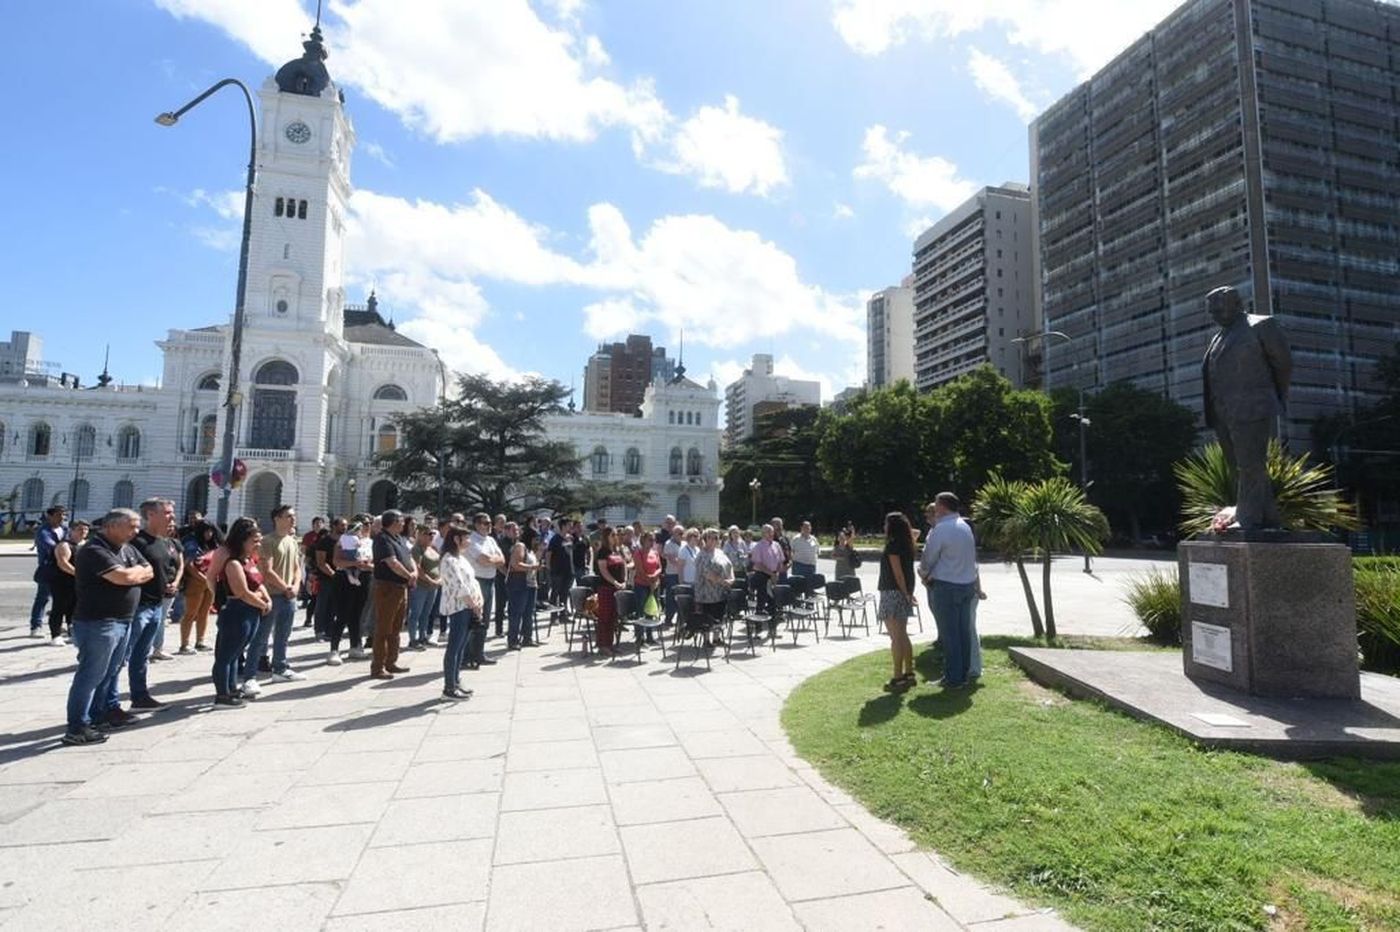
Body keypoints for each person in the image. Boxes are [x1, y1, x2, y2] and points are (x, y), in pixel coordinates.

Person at [1201, 285, 1293, 529]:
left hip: (1252, 407)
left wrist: (1273, 397)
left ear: (1236, 304)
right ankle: (1269, 516)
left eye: (1218, 309)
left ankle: (1247, 519)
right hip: (1223, 413)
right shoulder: (1219, 336)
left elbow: (1283, 365)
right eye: (1211, 312)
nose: (1215, 316)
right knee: (1239, 466)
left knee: (1250, 464)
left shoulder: (1261, 325)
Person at [63, 508, 152, 745]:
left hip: (123, 620)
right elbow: (123, 578)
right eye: (131, 526)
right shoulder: (94, 550)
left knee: (110, 673)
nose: (136, 531)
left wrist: (134, 573)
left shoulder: (128, 548)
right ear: (111, 526)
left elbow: (149, 570)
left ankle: (99, 715)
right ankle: (77, 726)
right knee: (91, 675)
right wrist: (135, 574)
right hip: (98, 622)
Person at [124, 498, 182, 711]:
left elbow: (170, 566)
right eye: (167, 513)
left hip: (156, 605)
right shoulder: (136, 542)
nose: (172, 517)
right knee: (121, 657)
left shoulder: (162, 541)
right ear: (150, 515)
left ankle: (139, 696)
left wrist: (170, 583)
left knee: (142, 656)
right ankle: (105, 704)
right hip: (137, 608)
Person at [918, 493, 979, 689]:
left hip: (946, 586)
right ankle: (963, 673)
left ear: (943, 506)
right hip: (966, 584)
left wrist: (924, 574)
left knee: (950, 634)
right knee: (963, 632)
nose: (934, 508)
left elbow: (928, 558)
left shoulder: (941, 529)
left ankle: (953, 678)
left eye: (936, 505)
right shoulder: (964, 526)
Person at [210, 518, 271, 708]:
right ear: (242, 540)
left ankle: (232, 689)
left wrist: (266, 598)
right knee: (226, 656)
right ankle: (222, 695)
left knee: (236, 654)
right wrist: (262, 603)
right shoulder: (233, 563)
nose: (258, 544)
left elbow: (257, 583)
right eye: (255, 540)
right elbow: (242, 592)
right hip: (237, 611)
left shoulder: (248, 560)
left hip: (251, 612)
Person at [251, 504, 306, 685]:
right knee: (262, 636)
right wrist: (285, 588)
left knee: (283, 635)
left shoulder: (292, 540)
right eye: (289, 516)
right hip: (273, 595)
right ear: (277, 519)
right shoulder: (267, 541)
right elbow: (266, 571)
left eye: (293, 516)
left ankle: (280, 667)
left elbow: (297, 567)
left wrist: (296, 586)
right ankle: (252, 671)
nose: (293, 519)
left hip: (289, 596)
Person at [370, 510, 417, 680]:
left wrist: (414, 572)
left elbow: (409, 557)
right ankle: (378, 666)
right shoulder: (382, 539)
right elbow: (392, 562)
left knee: (396, 628)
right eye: (401, 521)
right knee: (383, 628)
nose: (404, 524)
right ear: (393, 522)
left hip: (401, 587)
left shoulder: (398, 538)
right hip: (387, 587)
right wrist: (408, 575)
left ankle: (391, 661)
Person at [437, 524, 482, 700]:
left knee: (461, 646)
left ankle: (456, 681)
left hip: (468, 606)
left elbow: (472, 582)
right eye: (466, 538)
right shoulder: (448, 560)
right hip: (458, 608)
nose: (469, 541)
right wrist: (474, 605)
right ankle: (449, 688)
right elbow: (459, 586)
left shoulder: (460, 558)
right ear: (456, 539)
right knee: (454, 647)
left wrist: (479, 601)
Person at [877, 512, 918, 692]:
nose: (884, 528)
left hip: (892, 592)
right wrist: (908, 593)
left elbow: (898, 573)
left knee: (896, 638)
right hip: (902, 592)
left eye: (886, 524)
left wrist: (905, 593)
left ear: (892, 527)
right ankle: (909, 673)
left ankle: (897, 677)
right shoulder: (908, 544)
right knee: (903, 636)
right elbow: (915, 532)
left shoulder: (893, 546)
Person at [327, 519, 372, 665]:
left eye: (367, 524)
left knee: (357, 614)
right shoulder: (343, 540)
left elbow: (372, 562)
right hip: (344, 578)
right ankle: (334, 649)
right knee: (342, 615)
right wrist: (354, 563)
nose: (365, 527)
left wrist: (367, 565)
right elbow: (337, 561)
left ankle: (355, 646)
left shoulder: (369, 542)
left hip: (363, 578)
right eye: (362, 524)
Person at [465, 513, 504, 668]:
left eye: (489, 522)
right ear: (476, 524)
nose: (488, 525)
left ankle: (479, 653)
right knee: (474, 620)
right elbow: (482, 560)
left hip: (490, 580)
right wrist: (493, 560)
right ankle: (466, 656)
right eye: (484, 523)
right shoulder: (471, 540)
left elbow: (502, 560)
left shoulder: (491, 540)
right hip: (477, 581)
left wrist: (492, 560)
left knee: (484, 621)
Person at [177, 521, 221, 653]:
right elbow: (189, 565)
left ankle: (200, 641)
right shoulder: (191, 543)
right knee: (191, 613)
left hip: (211, 582)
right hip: (195, 583)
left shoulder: (214, 544)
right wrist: (204, 579)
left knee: (205, 612)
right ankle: (184, 644)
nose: (209, 534)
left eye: (211, 531)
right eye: (206, 531)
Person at [48, 520, 89, 645]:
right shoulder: (64, 545)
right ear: (72, 530)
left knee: (75, 608)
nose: (84, 532)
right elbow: (63, 564)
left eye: (86, 530)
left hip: (79, 583)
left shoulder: (86, 545)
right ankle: (56, 635)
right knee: (59, 607)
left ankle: (73, 633)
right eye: (80, 529)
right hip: (62, 582)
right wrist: (80, 575)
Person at [30, 505, 67, 637]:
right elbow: (52, 547)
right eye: (58, 515)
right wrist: (66, 548)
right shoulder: (43, 531)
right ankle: (36, 625)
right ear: (49, 516)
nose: (62, 517)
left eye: (63, 515)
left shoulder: (64, 529)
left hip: (63, 568)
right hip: (48, 569)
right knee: (43, 597)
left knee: (62, 599)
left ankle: (57, 624)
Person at [693, 528, 733, 647]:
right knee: (707, 617)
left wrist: (732, 579)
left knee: (718, 617)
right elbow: (707, 574)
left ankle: (716, 638)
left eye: (716, 537)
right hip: (706, 593)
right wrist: (724, 582)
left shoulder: (720, 552)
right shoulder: (702, 555)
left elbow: (729, 566)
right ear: (705, 539)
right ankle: (706, 640)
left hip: (720, 592)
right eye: (711, 537)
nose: (714, 540)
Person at [506, 526, 541, 650]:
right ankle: (513, 640)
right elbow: (516, 564)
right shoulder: (520, 546)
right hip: (519, 584)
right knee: (516, 613)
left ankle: (527, 638)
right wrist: (533, 568)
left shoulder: (531, 550)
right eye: (535, 539)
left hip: (531, 584)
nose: (537, 541)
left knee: (528, 613)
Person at [407, 524, 442, 650]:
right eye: (427, 534)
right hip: (421, 586)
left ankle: (423, 636)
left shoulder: (432, 548)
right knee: (416, 613)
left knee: (426, 613)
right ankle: (412, 639)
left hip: (433, 586)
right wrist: (430, 580)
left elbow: (439, 565)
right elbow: (417, 567)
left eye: (432, 534)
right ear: (420, 535)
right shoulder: (416, 549)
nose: (431, 536)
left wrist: (439, 579)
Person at [311, 517, 344, 642]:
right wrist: (332, 574)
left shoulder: (344, 541)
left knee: (334, 606)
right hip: (326, 578)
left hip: (341, 578)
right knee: (322, 605)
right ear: (334, 526)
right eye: (342, 525)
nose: (344, 528)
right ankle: (319, 630)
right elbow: (321, 562)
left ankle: (330, 631)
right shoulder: (324, 541)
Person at [594, 528, 626, 655]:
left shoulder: (617, 550)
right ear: (606, 536)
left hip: (617, 588)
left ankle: (610, 643)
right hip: (606, 588)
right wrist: (614, 582)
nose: (615, 537)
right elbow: (603, 570)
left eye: (616, 535)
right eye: (612, 535)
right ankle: (603, 645)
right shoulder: (603, 552)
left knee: (614, 617)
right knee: (605, 617)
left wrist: (624, 581)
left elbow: (624, 564)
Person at [632, 530, 662, 647]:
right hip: (641, 585)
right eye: (650, 540)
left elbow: (659, 567)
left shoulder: (655, 552)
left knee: (651, 611)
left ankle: (650, 636)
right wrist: (649, 581)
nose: (652, 542)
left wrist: (655, 576)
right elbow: (640, 570)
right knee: (641, 611)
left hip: (654, 585)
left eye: (653, 540)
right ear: (643, 540)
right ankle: (640, 637)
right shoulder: (638, 553)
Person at [748, 524, 784, 616]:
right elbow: (758, 565)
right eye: (768, 532)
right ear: (763, 533)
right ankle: (758, 623)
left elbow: (780, 560)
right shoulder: (758, 546)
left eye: (772, 531)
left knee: (774, 599)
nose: (771, 533)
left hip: (774, 576)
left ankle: (773, 619)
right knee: (762, 600)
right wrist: (771, 574)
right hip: (762, 576)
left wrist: (776, 574)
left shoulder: (776, 545)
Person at [548, 518, 575, 609]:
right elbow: (549, 554)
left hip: (568, 570)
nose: (571, 527)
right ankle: (554, 616)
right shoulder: (555, 539)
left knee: (565, 593)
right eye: (569, 525)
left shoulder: (570, 538)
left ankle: (564, 615)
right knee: (555, 593)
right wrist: (549, 567)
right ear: (563, 526)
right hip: (557, 571)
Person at [491, 514, 511, 637]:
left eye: (504, 522)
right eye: (501, 522)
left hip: (509, 574)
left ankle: (510, 628)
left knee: (510, 603)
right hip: (499, 573)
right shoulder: (492, 537)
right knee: (500, 603)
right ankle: (498, 629)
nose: (503, 524)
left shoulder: (507, 538)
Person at [662, 526, 685, 625]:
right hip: (672, 574)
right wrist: (683, 562)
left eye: (682, 533)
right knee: (671, 597)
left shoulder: (684, 544)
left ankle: (681, 619)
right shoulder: (668, 544)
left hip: (682, 574)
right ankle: (668, 619)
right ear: (674, 533)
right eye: (679, 533)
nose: (681, 535)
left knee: (681, 597)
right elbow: (672, 560)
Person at [770, 516, 793, 581]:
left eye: (780, 524)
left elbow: (790, 552)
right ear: (772, 526)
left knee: (783, 589)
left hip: (784, 570)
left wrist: (789, 563)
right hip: (773, 571)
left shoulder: (785, 539)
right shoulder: (769, 539)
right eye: (776, 524)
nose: (779, 526)